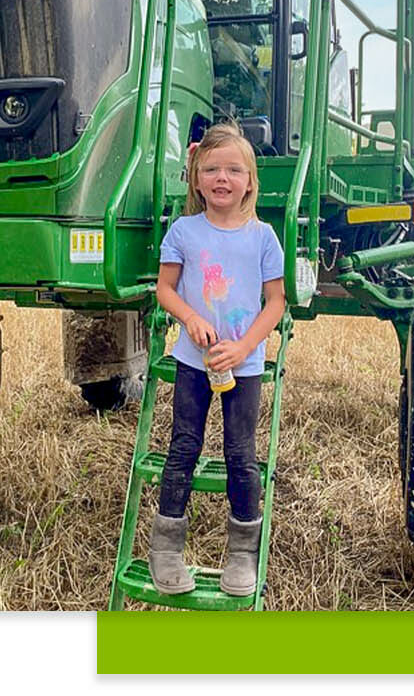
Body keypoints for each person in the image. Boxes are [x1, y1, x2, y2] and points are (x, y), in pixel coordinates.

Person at [148, 122, 287, 597]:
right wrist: (189, 317)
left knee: (240, 454)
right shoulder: (184, 231)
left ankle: (242, 554)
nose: (221, 178)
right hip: (194, 362)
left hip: (242, 366)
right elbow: (166, 289)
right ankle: (166, 551)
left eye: (233, 169)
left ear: (250, 180)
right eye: (211, 169)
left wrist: (245, 346)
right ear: (195, 177)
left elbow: (276, 303)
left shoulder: (264, 237)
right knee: (183, 447)